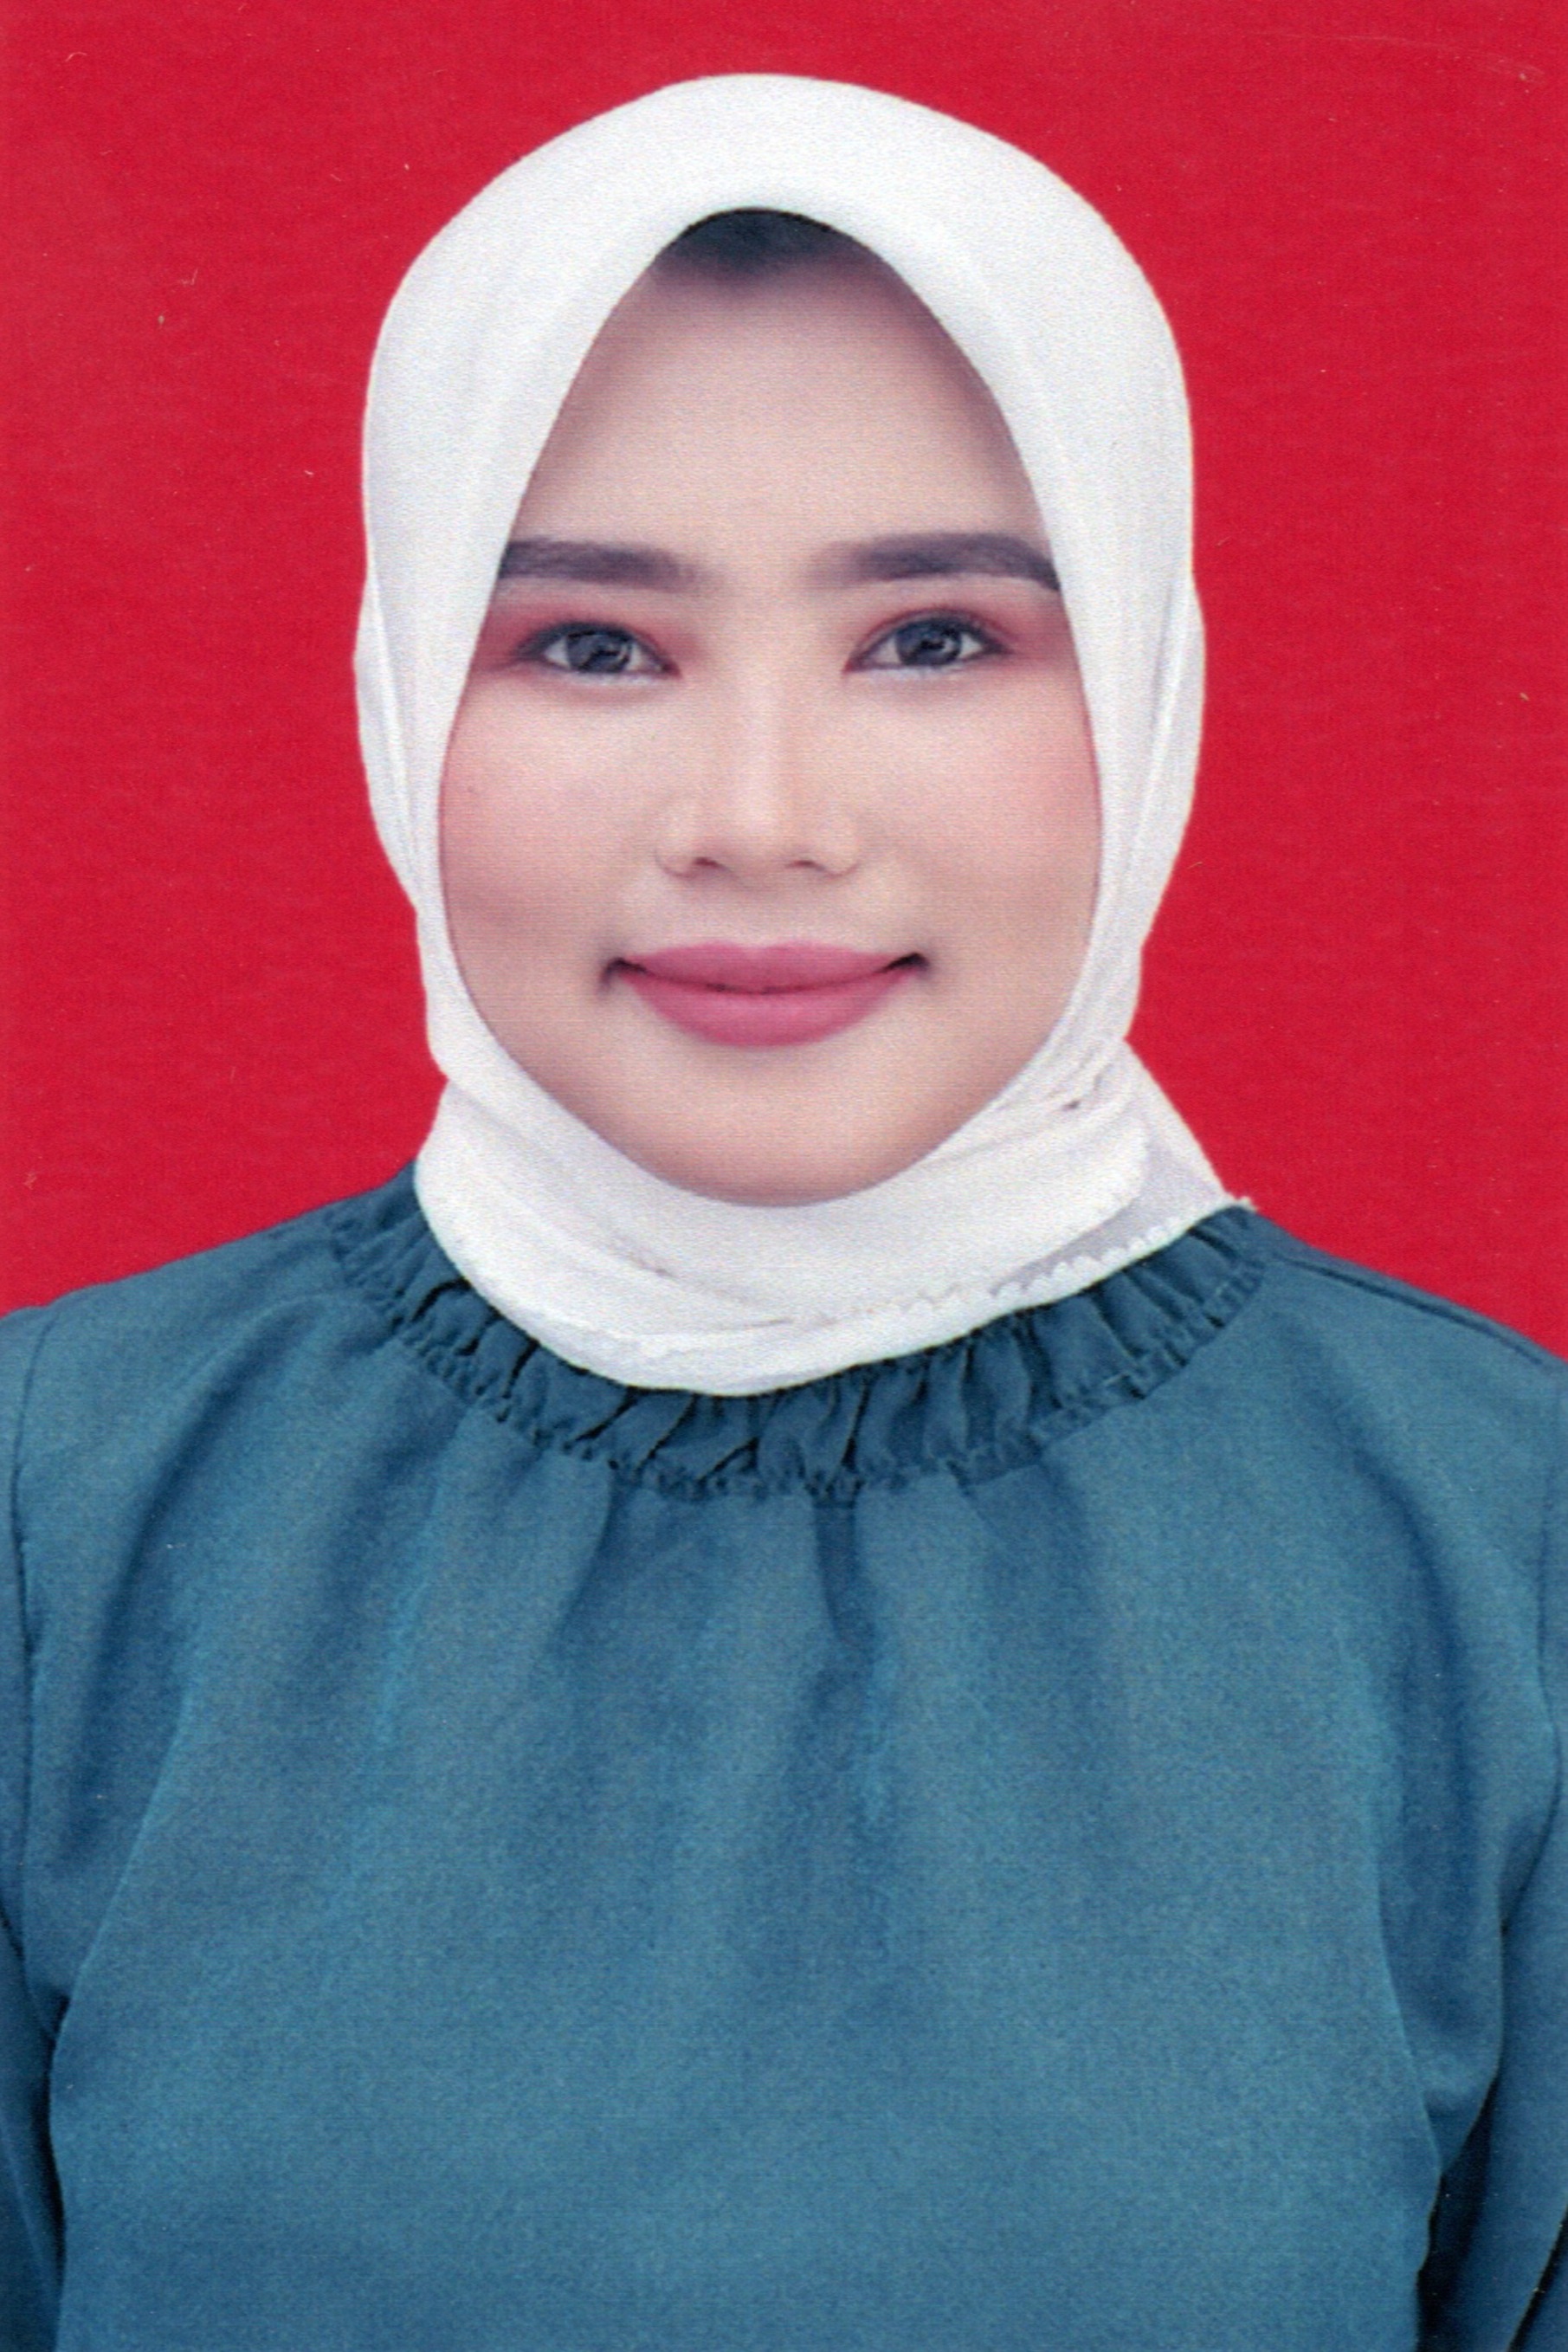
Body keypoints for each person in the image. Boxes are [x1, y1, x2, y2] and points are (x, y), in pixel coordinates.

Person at [1, 73, 1562, 2352]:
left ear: (1143, 683)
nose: (761, 815)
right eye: (593, 645)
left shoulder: (1501, 1543)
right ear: (404, 685)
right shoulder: (55, 1513)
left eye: (931, 637)